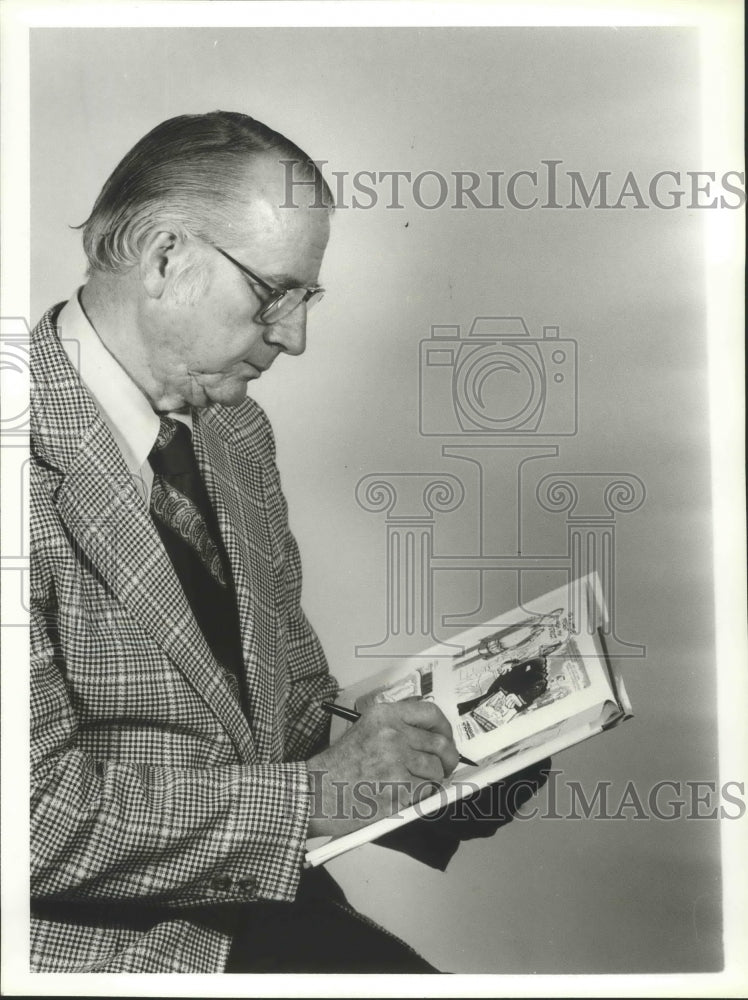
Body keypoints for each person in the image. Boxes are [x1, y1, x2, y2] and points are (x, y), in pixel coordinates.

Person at [30, 110, 548, 974]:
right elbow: (32, 819)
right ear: (164, 258)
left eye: (305, 299)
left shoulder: (235, 434)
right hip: (90, 949)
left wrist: (456, 741)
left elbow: (286, 703)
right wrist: (319, 794)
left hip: (258, 903)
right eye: (274, 293)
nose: (294, 338)